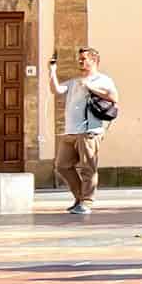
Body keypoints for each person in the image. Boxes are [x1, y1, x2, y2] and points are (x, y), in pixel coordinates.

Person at [49, 48, 117, 215]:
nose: (80, 62)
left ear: (93, 61)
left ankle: (87, 201)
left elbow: (113, 97)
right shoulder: (74, 81)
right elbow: (56, 90)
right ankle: (79, 197)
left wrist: (90, 87)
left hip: (89, 130)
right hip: (70, 131)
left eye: (83, 59)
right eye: (79, 59)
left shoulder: (103, 79)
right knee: (62, 165)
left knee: (88, 168)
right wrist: (52, 72)